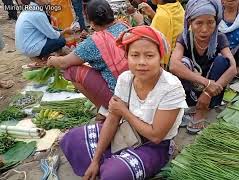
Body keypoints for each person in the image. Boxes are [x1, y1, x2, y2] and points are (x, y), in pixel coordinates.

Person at [60, 26, 188, 180]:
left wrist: (124, 112)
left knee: (113, 174)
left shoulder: (171, 88)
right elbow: (113, 119)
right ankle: (105, 163)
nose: (141, 62)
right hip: (127, 132)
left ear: (160, 57)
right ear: (126, 56)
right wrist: (95, 160)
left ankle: (114, 164)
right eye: (134, 55)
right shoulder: (125, 78)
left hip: (155, 146)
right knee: (72, 139)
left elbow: (156, 136)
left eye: (149, 55)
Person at [169, 0, 237, 134]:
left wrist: (208, 92)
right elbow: (173, 65)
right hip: (191, 89)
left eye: (210, 22)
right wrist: (206, 83)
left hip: (212, 93)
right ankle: (187, 104)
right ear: (190, 23)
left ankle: (202, 109)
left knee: (223, 61)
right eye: (199, 23)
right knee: (182, 62)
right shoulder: (184, 38)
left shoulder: (220, 38)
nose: (205, 29)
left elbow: (233, 68)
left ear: (216, 22)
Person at [47, 0, 129, 108]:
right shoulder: (123, 26)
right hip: (135, 88)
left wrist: (52, 60)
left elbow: (63, 63)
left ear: (91, 22)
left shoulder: (94, 42)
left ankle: (104, 109)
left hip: (119, 96)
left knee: (72, 70)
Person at [134, 0, 185, 68]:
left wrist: (140, 23)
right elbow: (168, 26)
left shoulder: (161, 15)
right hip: (179, 55)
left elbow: (150, 44)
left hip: (167, 64)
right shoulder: (178, 7)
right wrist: (152, 14)